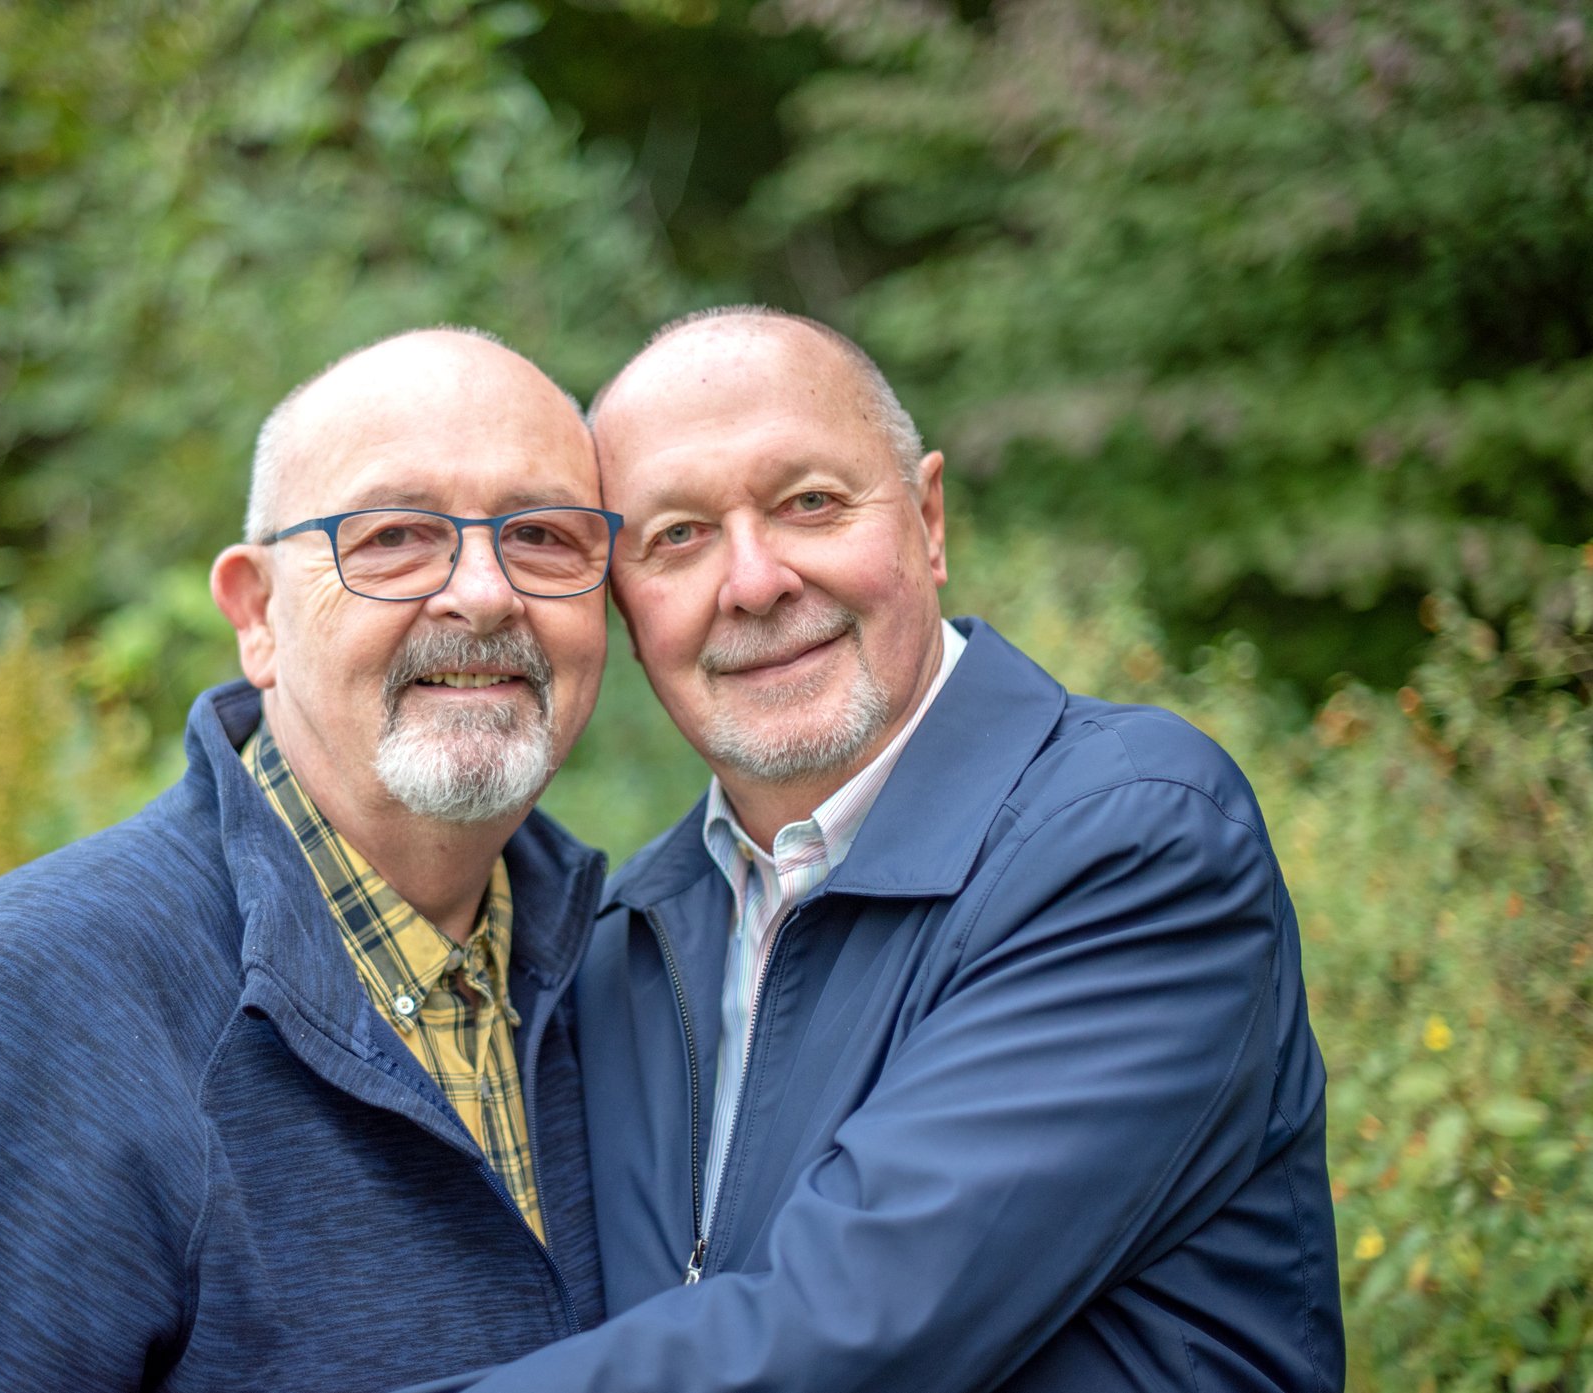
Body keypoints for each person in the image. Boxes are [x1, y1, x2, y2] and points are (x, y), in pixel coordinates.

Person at [409, 308, 1344, 1392]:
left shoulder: (1132, 840)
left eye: (808, 503)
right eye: (676, 537)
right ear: (622, 611)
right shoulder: (628, 942)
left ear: (929, 519)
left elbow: (846, 1332)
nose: (753, 581)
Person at [0, 328, 622, 1392]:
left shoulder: (627, 974)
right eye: (395, 535)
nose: (484, 593)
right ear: (257, 613)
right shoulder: (39, 1007)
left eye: (541, 535)